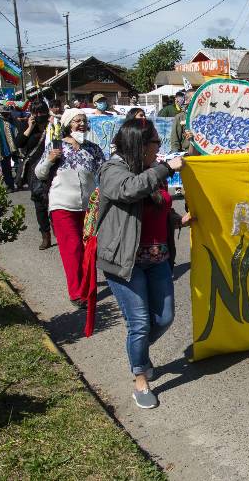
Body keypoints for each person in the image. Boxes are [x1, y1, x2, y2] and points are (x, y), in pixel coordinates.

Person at [97, 119, 189, 409]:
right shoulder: (112, 170)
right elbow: (129, 190)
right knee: (139, 323)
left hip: (158, 257)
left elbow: (160, 204)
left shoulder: (153, 172)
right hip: (126, 262)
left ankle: (138, 354)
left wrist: (178, 220)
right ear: (140, 144)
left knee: (163, 318)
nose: (158, 149)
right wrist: (164, 168)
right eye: (155, 144)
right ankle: (140, 378)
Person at [35, 108, 105, 306]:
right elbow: (39, 173)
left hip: (89, 207)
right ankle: (77, 293)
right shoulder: (55, 146)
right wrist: (49, 160)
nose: (81, 124)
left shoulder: (93, 148)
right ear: (67, 124)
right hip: (62, 206)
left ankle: (88, 288)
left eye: (84, 121)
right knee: (72, 248)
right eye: (76, 121)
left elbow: (105, 172)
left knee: (89, 248)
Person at [17, 100, 55, 250]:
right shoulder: (27, 126)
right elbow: (19, 143)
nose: (39, 115)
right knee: (40, 204)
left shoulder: (53, 125)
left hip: (53, 167)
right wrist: (30, 126)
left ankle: (57, 229)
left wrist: (55, 125)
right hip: (34, 170)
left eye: (42, 112)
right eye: (36, 112)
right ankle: (45, 235)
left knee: (54, 201)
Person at [0, 106, 20, 191]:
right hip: (4, 148)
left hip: (16, 147)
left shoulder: (14, 121)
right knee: (6, 168)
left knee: (18, 166)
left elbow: (18, 132)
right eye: (4, 113)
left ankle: (19, 182)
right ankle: (9, 185)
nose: (6, 115)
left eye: (7, 113)